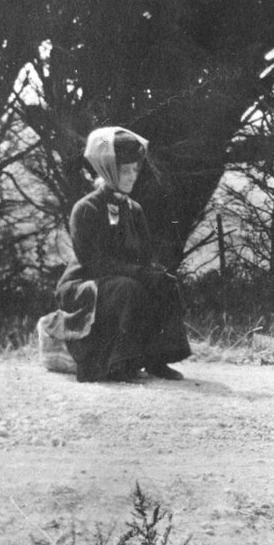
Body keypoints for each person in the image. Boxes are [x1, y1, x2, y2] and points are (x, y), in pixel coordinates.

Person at [52, 126, 192, 384]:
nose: (131, 177)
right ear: (108, 172)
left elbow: (144, 256)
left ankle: (156, 360)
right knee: (127, 288)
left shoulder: (134, 209)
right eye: (124, 171)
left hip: (119, 279)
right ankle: (121, 364)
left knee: (164, 284)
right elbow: (93, 261)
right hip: (83, 283)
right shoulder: (86, 209)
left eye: (134, 170)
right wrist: (138, 273)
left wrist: (155, 274)